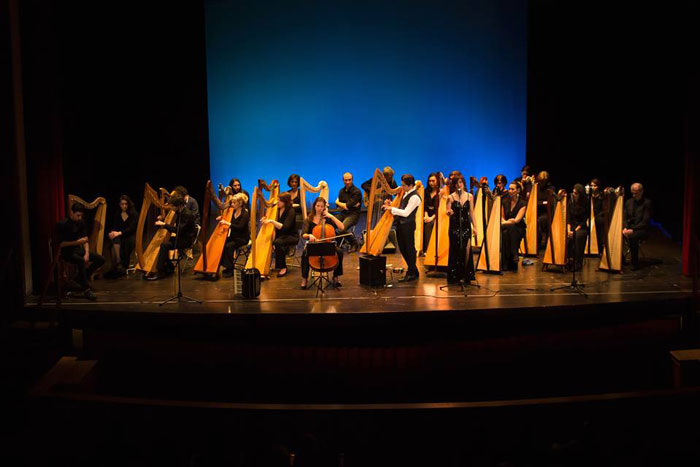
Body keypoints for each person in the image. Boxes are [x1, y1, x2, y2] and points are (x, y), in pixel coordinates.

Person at [56, 203, 105, 300]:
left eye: (81, 215)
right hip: (66, 252)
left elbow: (85, 239)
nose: (80, 218)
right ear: (72, 213)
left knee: (101, 259)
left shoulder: (81, 222)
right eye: (78, 215)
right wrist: (77, 242)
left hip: (78, 250)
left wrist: (87, 253)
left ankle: (80, 278)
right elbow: (61, 244)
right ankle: (86, 290)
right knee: (81, 261)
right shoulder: (62, 224)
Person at [146, 194, 197, 280]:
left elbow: (178, 230)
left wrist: (164, 225)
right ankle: (169, 267)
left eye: (172, 206)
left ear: (178, 206)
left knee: (164, 245)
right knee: (163, 243)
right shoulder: (179, 212)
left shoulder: (187, 214)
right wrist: (162, 218)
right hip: (180, 237)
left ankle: (160, 271)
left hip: (185, 240)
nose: (171, 208)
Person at [383, 174, 422, 282]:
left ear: (410, 185)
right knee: (403, 249)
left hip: (408, 225)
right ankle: (414, 270)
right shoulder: (406, 193)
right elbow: (402, 206)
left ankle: (411, 272)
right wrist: (391, 204)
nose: (402, 187)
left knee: (409, 249)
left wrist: (391, 209)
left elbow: (406, 212)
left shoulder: (414, 197)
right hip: (401, 225)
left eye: (404, 185)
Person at [300, 197, 345, 289]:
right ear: (314, 206)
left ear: (324, 207)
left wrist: (331, 216)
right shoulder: (309, 219)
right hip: (314, 245)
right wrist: (309, 235)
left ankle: (335, 276)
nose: (319, 208)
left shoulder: (328, 218)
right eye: (318, 206)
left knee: (340, 252)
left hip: (328, 245)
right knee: (304, 254)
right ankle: (304, 279)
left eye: (322, 206)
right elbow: (303, 234)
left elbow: (342, 227)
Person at [445, 174, 477, 283]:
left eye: (461, 182)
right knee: (456, 250)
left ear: (463, 183)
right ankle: (456, 275)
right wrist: (449, 212)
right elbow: (447, 211)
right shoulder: (450, 197)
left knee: (467, 249)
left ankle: (466, 274)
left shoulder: (469, 196)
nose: (459, 184)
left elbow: (471, 212)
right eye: (457, 183)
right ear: (454, 185)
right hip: (454, 226)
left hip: (466, 225)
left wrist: (475, 227)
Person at [263, 192, 298, 278]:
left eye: (280, 201)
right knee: (271, 240)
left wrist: (271, 221)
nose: (277, 202)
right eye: (277, 200)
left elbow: (285, 227)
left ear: (285, 202)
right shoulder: (277, 210)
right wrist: (266, 219)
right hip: (281, 235)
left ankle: (283, 267)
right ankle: (275, 265)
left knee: (278, 242)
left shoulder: (291, 211)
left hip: (291, 236)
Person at [105, 195, 138, 278]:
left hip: (130, 236)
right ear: (119, 205)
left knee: (124, 241)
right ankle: (118, 261)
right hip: (120, 235)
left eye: (126, 204)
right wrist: (112, 232)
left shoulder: (134, 214)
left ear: (128, 204)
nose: (124, 206)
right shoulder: (118, 214)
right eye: (122, 204)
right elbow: (115, 226)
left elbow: (132, 228)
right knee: (114, 240)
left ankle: (119, 263)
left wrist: (119, 233)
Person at [219, 193, 250, 277]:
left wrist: (227, 223)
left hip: (242, 238)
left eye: (234, 203)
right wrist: (221, 218)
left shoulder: (245, 214)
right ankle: (226, 265)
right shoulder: (232, 212)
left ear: (240, 203)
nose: (232, 204)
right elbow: (227, 219)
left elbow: (240, 227)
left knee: (229, 246)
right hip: (234, 237)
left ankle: (230, 269)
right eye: (232, 202)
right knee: (222, 244)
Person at [623, 182, 652, 270]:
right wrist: (625, 227)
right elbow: (624, 217)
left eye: (636, 193)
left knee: (633, 237)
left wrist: (632, 230)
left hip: (642, 229)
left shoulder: (647, 203)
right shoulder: (628, 202)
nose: (634, 195)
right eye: (632, 193)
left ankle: (634, 263)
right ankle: (621, 259)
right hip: (629, 228)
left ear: (641, 192)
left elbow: (645, 221)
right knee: (616, 234)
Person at [501, 182, 527, 271]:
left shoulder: (522, 203)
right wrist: (506, 222)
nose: (510, 191)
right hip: (507, 226)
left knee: (506, 232)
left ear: (518, 190)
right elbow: (502, 217)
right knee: (508, 229)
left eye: (512, 189)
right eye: (509, 189)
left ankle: (505, 263)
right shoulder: (505, 201)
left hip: (519, 228)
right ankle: (515, 253)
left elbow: (516, 220)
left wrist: (505, 223)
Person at [334, 172, 362, 251]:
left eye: (349, 180)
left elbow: (346, 206)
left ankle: (354, 243)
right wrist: (345, 205)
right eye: (346, 180)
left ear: (352, 180)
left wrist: (337, 202)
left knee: (341, 229)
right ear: (343, 180)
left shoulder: (357, 192)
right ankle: (341, 242)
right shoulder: (341, 191)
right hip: (343, 213)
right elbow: (339, 208)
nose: (348, 182)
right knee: (330, 223)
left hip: (353, 215)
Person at [567, 184, 589, 271]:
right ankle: (568, 260)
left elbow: (584, 221)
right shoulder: (571, 201)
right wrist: (568, 230)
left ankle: (577, 262)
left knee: (578, 236)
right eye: (573, 192)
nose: (573, 195)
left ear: (580, 194)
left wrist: (575, 231)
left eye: (575, 193)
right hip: (571, 226)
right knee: (564, 236)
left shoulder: (585, 203)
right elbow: (568, 218)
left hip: (581, 227)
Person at [423, 172, 442, 253]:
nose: (431, 183)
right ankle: (423, 248)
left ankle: (429, 250)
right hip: (427, 215)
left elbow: (439, 208)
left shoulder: (440, 192)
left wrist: (431, 218)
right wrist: (426, 216)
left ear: (437, 181)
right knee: (422, 223)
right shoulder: (425, 191)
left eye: (433, 181)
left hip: (437, 216)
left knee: (429, 224)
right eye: (430, 181)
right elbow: (424, 206)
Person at [535, 171, 555, 250]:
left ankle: (539, 243)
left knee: (539, 220)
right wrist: (541, 203)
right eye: (540, 181)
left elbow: (549, 203)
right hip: (536, 212)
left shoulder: (550, 189)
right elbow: (535, 201)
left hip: (546, 213)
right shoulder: (535, 188)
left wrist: (540, 203)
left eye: (543, 181)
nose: (541, 183)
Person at [588, 178, 605, 254]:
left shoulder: (602, 196)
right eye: (591, 186)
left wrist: (595, 216)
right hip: (590, 216)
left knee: (599, 221)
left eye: (594, 186)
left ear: (598, 186)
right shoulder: (588, 196)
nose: (592, 187)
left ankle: (600, 249)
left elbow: (604, 209)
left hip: (599, 216)